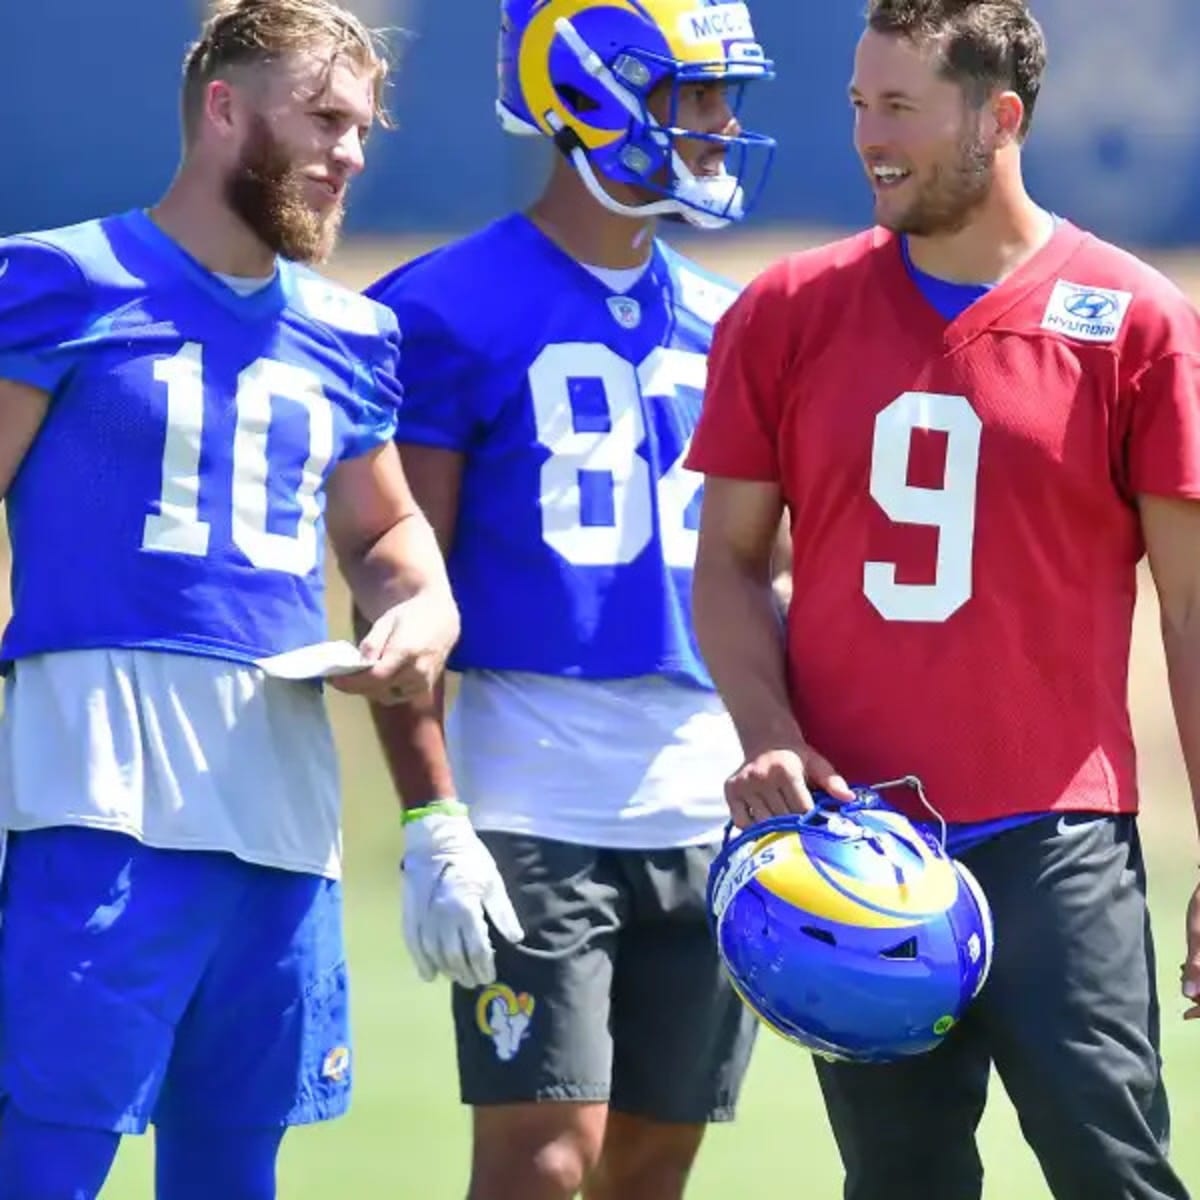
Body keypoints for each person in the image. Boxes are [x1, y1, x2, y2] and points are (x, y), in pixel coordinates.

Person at [687, 1, 1200, 1198]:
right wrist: (769, 737)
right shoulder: (787, 311)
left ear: (999, 117)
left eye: (902, 107)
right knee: (902, 1183)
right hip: (851, 849)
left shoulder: (1136, 322)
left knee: (1113, 1169)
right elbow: (727, 563)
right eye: (860, 103)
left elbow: (1190, 609)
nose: (871, 136)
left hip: (1054, 839)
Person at [0, 2, 460, 1198]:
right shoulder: (57, 279)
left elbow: (389, 529)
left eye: (362, 130)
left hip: (277, 808)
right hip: (92, 794)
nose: (350, 153)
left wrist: (422, 608)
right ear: (223, 109)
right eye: (323, 120)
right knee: (42, 1158)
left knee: (231, 1172)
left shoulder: (354, 334)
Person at [361, 2, 777, 1197]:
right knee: (545, 1160)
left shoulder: (727, 318)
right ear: (594, 98)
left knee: (655, 1160)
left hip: (705, 793)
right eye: (696, 94)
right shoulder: (440, 306)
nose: (720, 125)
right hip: (532, 785)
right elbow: (400, 576)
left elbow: (764, 571)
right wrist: (431, 814)